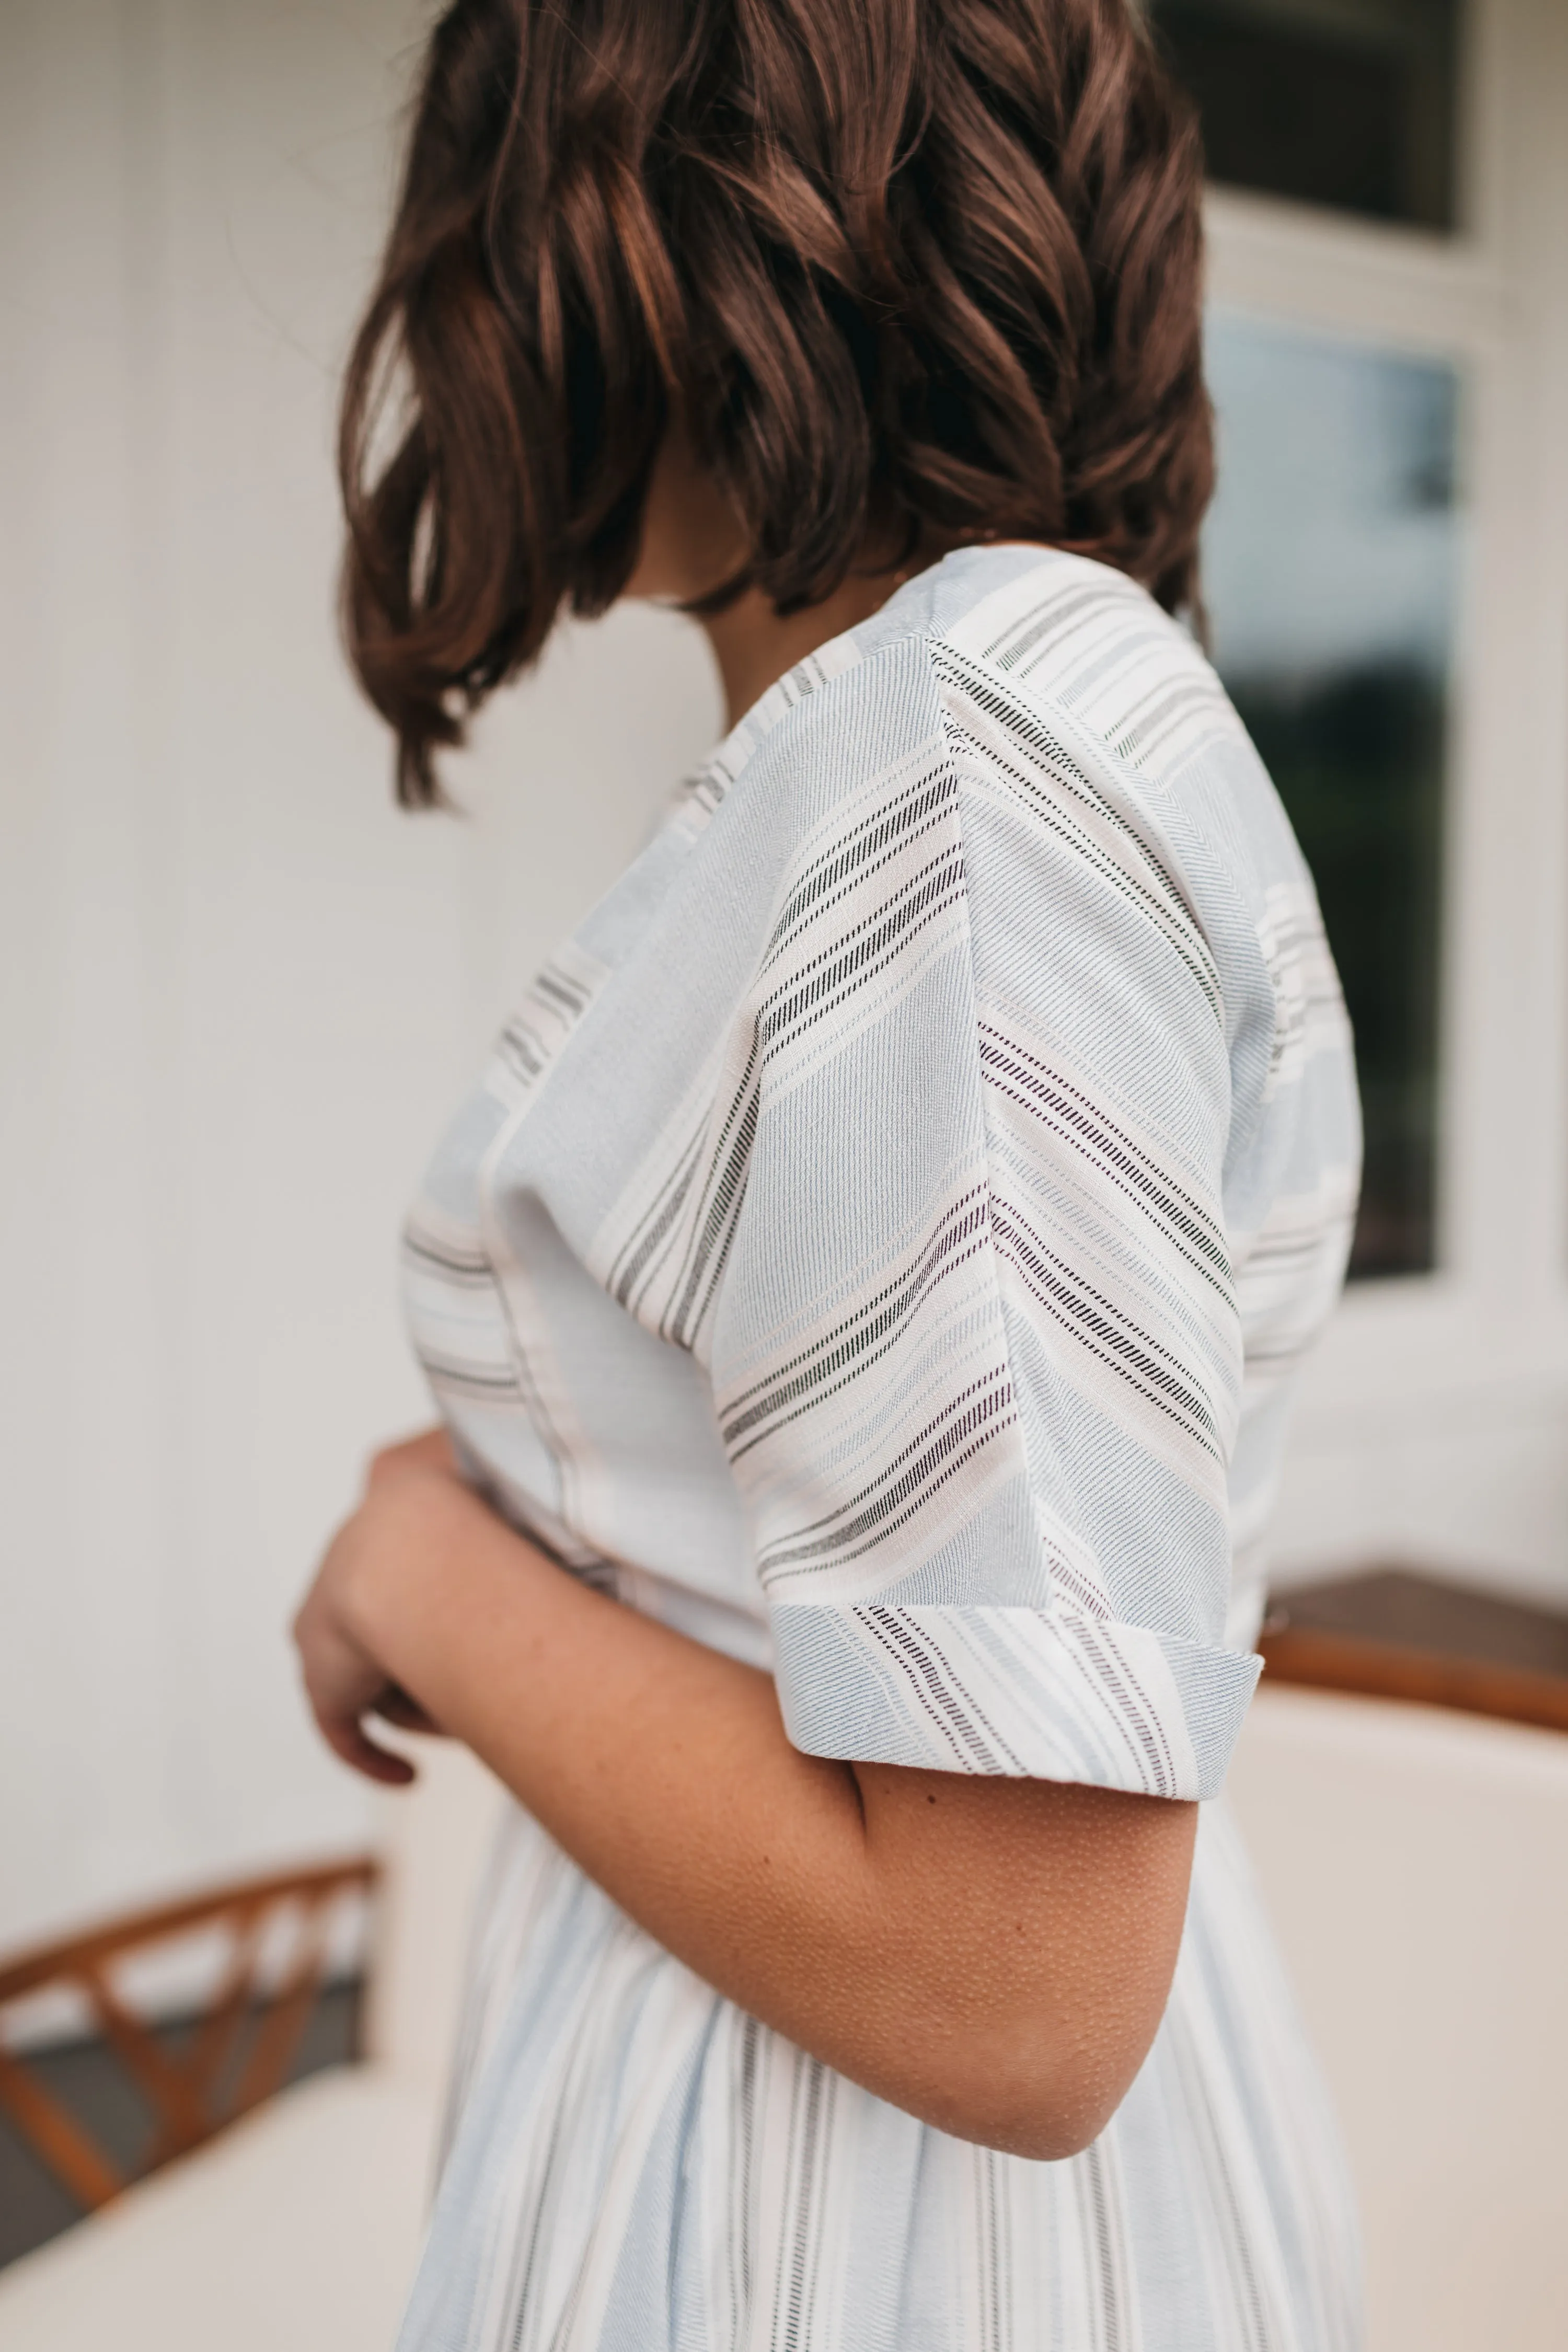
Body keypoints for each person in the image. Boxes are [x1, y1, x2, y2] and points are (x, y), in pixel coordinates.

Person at [292, 1, 1364, 2344]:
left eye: (507, 190)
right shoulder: (973, 738)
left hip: (868, 2233)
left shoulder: (964, 782)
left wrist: (422, 1570)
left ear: (692, 223)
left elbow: (1018, 1982)